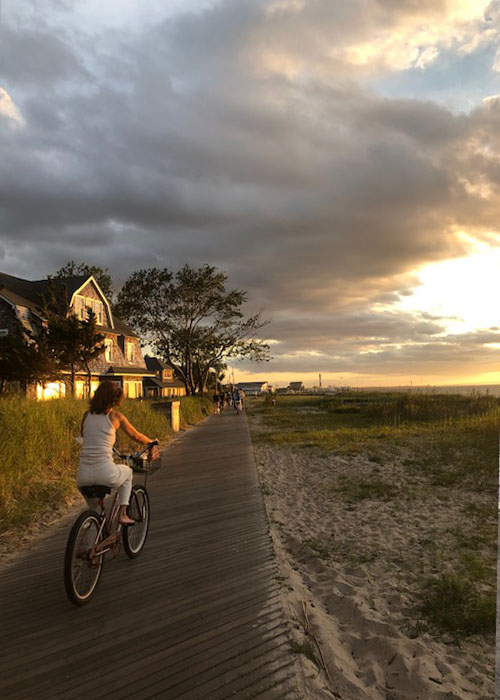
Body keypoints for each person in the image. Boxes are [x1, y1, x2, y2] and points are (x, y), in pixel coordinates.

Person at [76, 381, 157, 526]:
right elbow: (136, 436)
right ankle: (123, 515)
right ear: (115, 399)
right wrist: (151, 442)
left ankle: (90, 543)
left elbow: (85, 435)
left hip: (83, 476)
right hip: (105, 473)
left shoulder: (87, 415)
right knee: (127, 473)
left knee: (94, 511)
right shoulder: (115, 417)